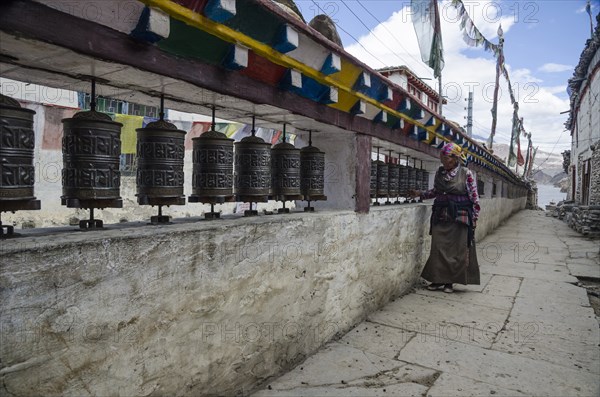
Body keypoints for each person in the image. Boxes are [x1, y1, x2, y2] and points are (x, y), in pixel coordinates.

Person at [409, 142, 481, 293]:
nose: (442, 160)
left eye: (446, 157)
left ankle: (449, 282)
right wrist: (421, 194)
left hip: (460, 216)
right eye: (441, 157)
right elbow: (436, 191)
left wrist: (474, 218)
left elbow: (474, 197)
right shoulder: (440, 172)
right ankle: (437, 280)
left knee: (456, 250)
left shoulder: (466, 173)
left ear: (455, 159)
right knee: (438, 248)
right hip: (441, 214)